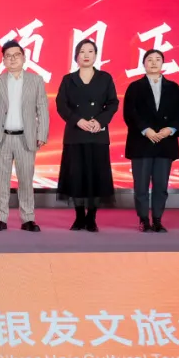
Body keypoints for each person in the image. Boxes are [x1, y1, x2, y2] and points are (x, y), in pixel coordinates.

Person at [0, 40, 49, 232]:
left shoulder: (36, 80)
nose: (12, 59)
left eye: (16, 55)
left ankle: (28, 218)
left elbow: (42, 108)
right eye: (8, 56)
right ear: (3, 60)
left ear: (24, 57)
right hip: (1, 137)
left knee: (26, 180)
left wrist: (42, 133)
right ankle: (0, 218)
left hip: (26, 138)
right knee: (1, 181)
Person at [55, 38, 119, 232]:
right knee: (76, 176)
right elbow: (61, 105)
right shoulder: (68, 79)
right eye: (82, 51)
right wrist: (77, 120)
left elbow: (113, 103)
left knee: (95, 176)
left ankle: (91, 217)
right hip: (75, 134)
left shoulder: (105, 78)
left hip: (97, 134)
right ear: (76, 56)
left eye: (90, 51)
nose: (86, 55)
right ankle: (79, 217)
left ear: (96, 55)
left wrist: (100, 121)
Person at [122, 49, 179, 233]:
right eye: (149, 59)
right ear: (143, 64)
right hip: (141, 143)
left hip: (165, 143)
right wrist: (146, 130)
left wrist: (170, 130)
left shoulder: (174, 88)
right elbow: (130, 113)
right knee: (141, 186)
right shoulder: (134, 87)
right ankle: (144, 219)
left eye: (158, 59)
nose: (153, 63)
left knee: (161, 185)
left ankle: (157, 219)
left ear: (162, 63)